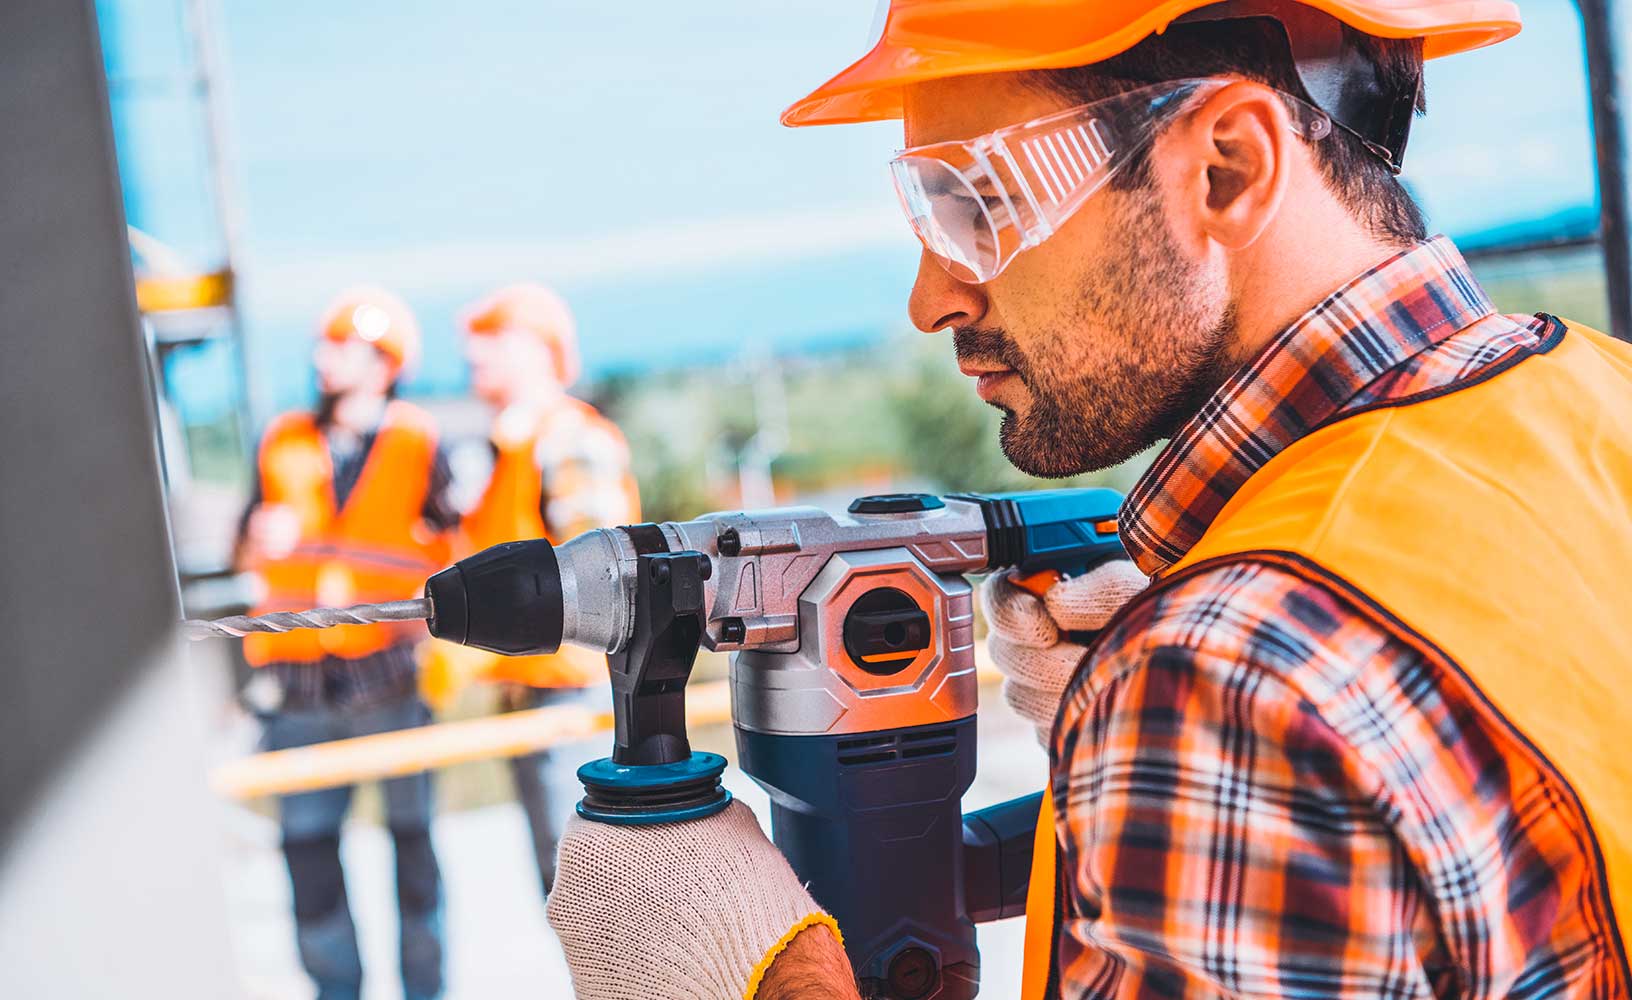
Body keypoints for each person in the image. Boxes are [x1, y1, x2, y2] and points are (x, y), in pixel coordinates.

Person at [542, 1, 1632, 998]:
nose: (933, 295)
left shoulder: (1229, 678)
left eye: (979, 202)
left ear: (1226, 168)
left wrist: (751, 973)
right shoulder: (1601, 396)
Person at [236, 286, 456, 1000]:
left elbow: (458, 547)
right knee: (306, 852)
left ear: (385, 363)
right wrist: (254, 541)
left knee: (413, 846)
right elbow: (244, 542)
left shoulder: (420, 441)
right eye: (323, 344)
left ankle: (425, 989)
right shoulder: (284, 439)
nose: (324, 358)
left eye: (344, 346)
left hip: (388, 678)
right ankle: (337, 991)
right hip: (299, 687)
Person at [439, 282, 640, 898]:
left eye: (494, 339)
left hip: (574, 700)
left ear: (540, 349)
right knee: (562, 892)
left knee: (594, 896)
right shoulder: (510, 448)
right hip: (532, 691)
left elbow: (603, 581)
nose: (475, 354)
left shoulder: (570, 439)